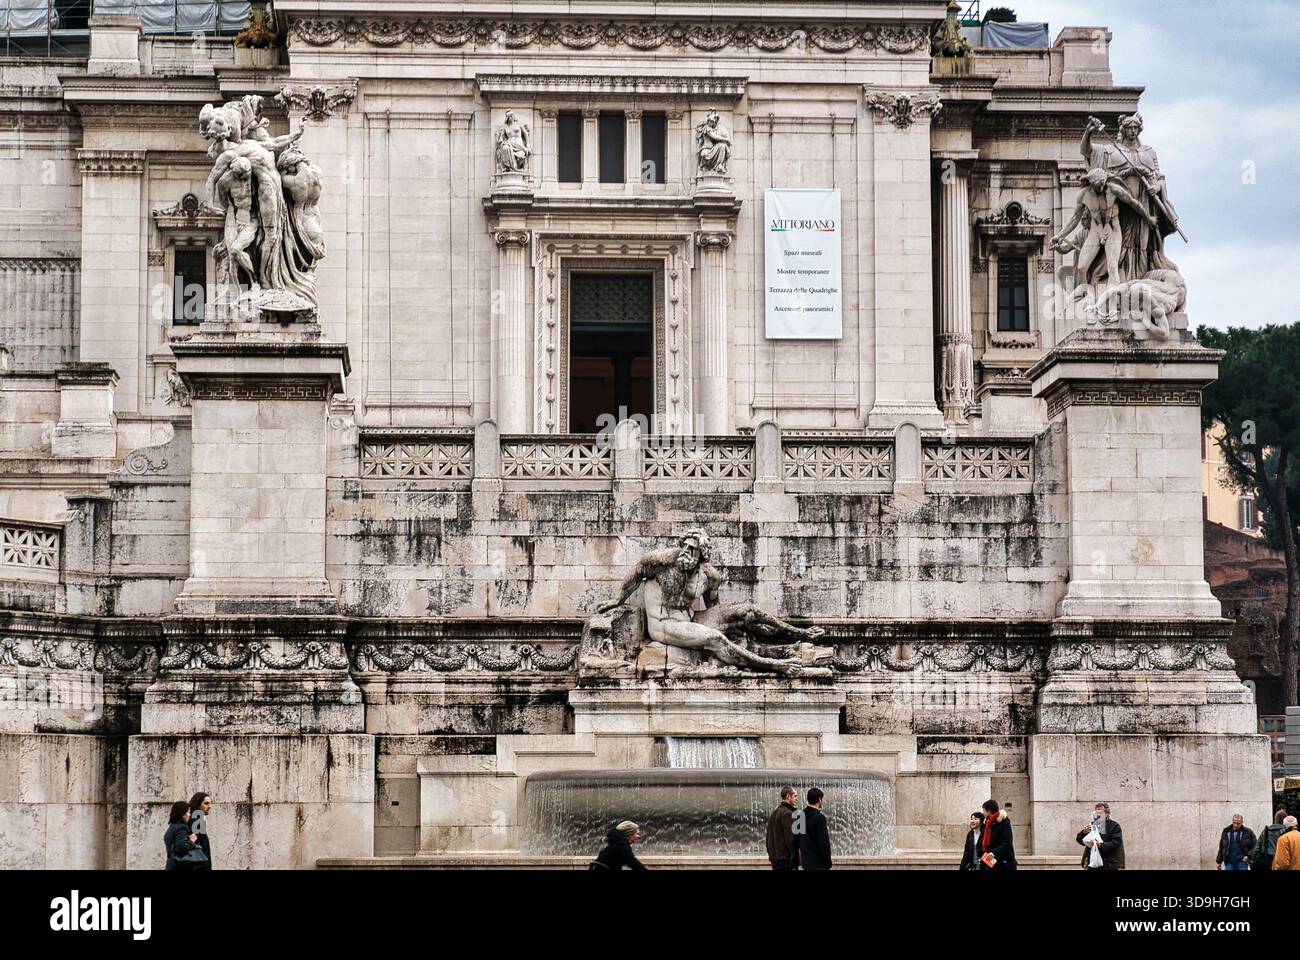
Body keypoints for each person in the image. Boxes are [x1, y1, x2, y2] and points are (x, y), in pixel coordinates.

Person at [1077, 802, 1124, 870]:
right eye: (1096, 812)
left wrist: (1101, 845)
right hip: (1093, 863)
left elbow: (1116, 842)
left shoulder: (1114, 825)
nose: (1098, 815)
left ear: (1107, 813)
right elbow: (1079, 840)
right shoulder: (1092, 824)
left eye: (1100, 812)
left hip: (1108, 863)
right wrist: (1083, 833)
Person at [765, 784, 801, 871]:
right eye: (795, 796)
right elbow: (790, 839)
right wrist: (796, 860)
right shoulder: (787, 814)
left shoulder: (775, 812)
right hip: (785, 861)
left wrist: (771, 856)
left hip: (776, 859)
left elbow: (768, 838)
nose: (797, 799)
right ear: (788, 796)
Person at [796, 787, 832, 870]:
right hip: (819, 864)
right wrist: (828, 862)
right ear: (819, 800)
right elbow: (823, 842)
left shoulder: (800, 815)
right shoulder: (820, 818)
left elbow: (797, 838)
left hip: (806, 863)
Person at [977, 799, 1016, 871]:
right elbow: (981, 842)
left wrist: (993, 853)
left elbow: (1007, 843)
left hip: (1003, 863)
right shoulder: (987, 824)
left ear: (989, 811)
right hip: (988, 862)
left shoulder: (1004, 822)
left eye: (984, 811)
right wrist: (982, 854)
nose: (983, 813)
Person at [164, 800, 202, 871]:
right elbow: (181, 847)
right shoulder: (181, 828)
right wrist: (191, 840)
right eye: (188, 812)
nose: (189, 814)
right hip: (179, 865)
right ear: (182, 814)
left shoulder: (172, 827)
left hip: (171, 865)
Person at [188, 792, 213, 870]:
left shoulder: (196, 818)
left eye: (209, 803)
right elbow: (201, 844)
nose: (209, 806)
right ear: (198, 805)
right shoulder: (197, 819)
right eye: (206, 803)